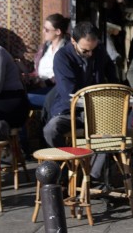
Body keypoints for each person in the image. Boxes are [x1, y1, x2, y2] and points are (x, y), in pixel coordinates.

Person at [43, 21, 119, 180]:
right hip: (69, 109)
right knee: (50, 129)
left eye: (93, 49)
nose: (90, 54)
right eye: (85, 50)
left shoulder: (99, 51)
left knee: (114, 131)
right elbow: (68, 93)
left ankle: (92, 176)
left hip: (97, 110)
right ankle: (65, 172)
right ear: (73, 41)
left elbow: (111, 73)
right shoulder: (62, 57)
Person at [27, 13, 70, 111]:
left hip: (56, 90)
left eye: (46, 30)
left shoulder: (67, 49)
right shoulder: (45, 47)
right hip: (40, 86)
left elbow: (64, 75)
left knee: (25, 99)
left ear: (58, 31)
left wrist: (46, 83)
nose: (43, 31)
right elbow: (37, 70)